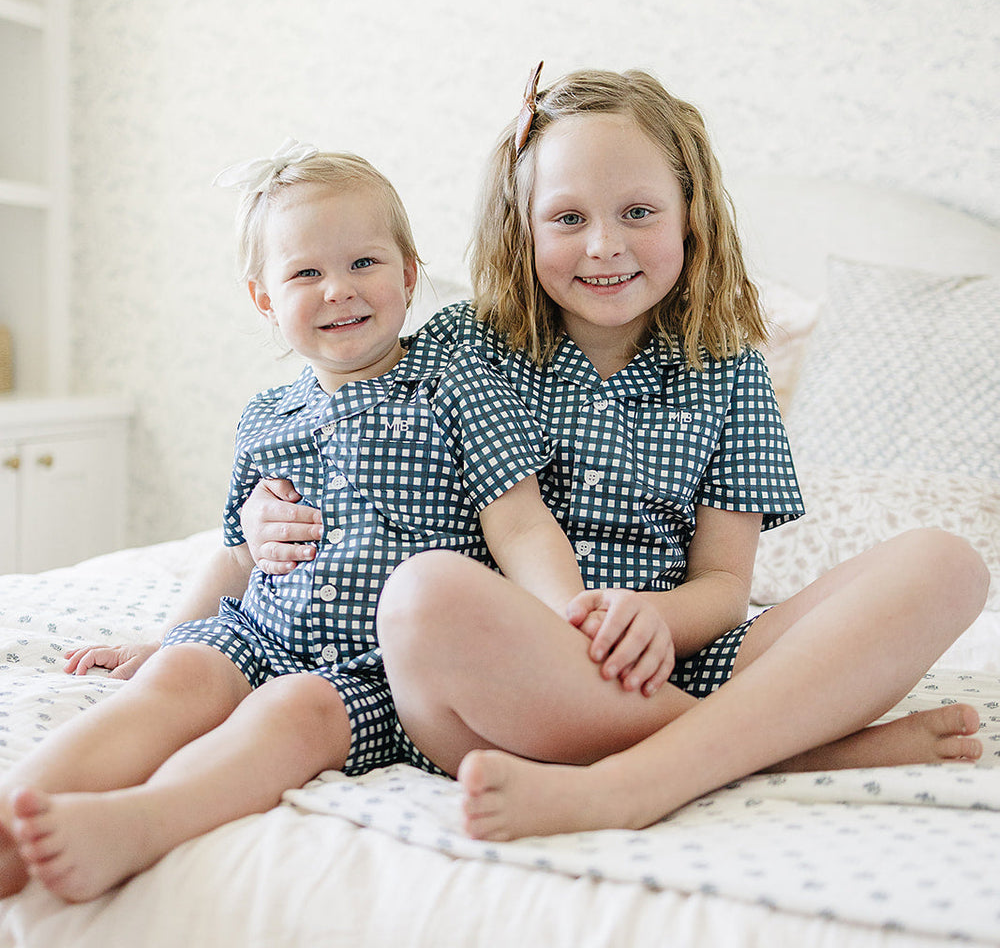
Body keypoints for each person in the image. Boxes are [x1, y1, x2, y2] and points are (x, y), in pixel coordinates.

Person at [242, 67, 989, 841]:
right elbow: (347, 432)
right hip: (513, 681)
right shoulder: (464, 345)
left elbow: (726, 586)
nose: (604, 246)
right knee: (420, 595)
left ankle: (644, 776)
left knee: (947, 564)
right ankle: (777, 749)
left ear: (690, 216)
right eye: (567, 217)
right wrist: (270, 512)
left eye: (638, 212)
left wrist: (654, 620)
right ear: (521, 227)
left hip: (680, 662)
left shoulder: (728, 370)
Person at [0, 143, 585, 902]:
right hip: (261, 631)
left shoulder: (453, 386)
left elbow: (521, 525)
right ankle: (19, 807)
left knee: (290, 715)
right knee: (176, 678)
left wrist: (568, 625)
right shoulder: (268, 416)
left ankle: (143, 820)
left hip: (373, 669)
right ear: (265, 300)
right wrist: (166, 637)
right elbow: (240, 557)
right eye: (306, 273)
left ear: (410, 275)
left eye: (364, 263)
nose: (338, 289)